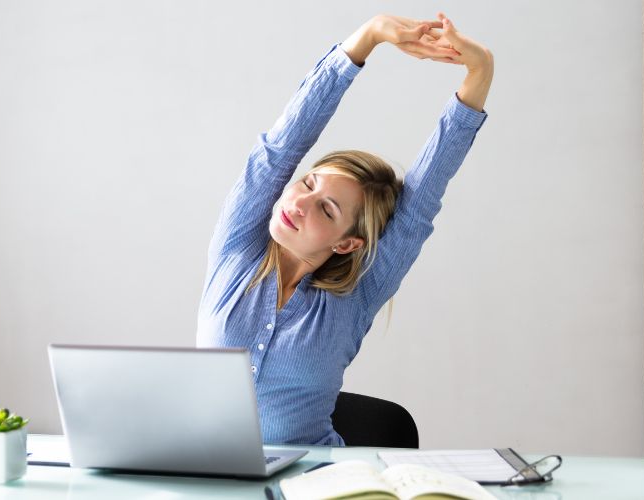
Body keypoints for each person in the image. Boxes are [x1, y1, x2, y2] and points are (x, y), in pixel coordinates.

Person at [197, 11, 493, 445]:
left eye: (327, 209)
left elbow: (420, 203)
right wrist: (367, 38)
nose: (299, 202)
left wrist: (480, 68)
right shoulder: (237, 249)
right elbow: (281, 147)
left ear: (348, 243)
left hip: (315, 484)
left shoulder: (356, 298)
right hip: (204, 478)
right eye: (308, 183)